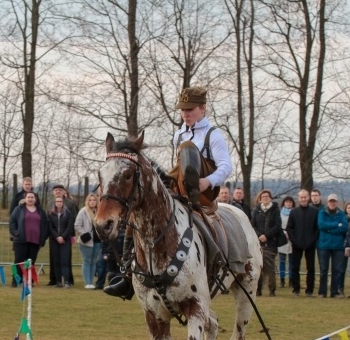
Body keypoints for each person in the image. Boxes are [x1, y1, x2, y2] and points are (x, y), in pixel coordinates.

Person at [105, 85, 232, 299]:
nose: (185, 113)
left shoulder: (213, 136)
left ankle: (215, 263)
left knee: (187, 148)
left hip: (201, 192)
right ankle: (127, 275)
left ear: (203, 108)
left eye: (190, 109)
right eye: (183, 109)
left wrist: (206, 182)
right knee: (138, 214)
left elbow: (225, 167)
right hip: (178, 186)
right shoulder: (179, 133)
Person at [287, 189, 320, 296]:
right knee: (295, 267)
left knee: (311, 268)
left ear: (308, 197)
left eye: (305, 197)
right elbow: (289, 228)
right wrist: (294, 241)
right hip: (296, 244)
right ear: (298, 198)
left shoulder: (315, 211)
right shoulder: (294, 212)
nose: (303, 199)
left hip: (310, 244)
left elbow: (317, 229)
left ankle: (309, 290)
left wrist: (312, 241)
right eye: (301, 197)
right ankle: (296, 289)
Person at [10, 191, 49, 281]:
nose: (30, 199)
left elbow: (45, 225)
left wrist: (43, 237)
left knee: (31, 262)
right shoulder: (18, 209)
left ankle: (29, 281)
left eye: (32, 197)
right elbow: (12, 221)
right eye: (28, 197)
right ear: (25, 198)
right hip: (21, 240)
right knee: (18, 261)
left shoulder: (41, 211)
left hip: (35, 241)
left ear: (35, 199)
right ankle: (16, 281)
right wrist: (15, 232)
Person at [251, 189, 282, 297]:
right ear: (260, 199)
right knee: (258, 266)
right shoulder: (256, 210)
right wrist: (259, 235)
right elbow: (252, 225)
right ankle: (258, 290)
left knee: (271, 267)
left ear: (270, 198)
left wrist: (267, 236)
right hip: (259, 243)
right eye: (263, 197)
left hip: (271, 243)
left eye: (267, 197)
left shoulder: (275, 210)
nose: (265, 198)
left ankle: (272, 290)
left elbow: (278, 226)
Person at [317, 194, 348, 298]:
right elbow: (321, 225)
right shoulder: (322, 212)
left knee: (337, 270)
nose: (332, 203)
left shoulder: (342, 214)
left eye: (334, 201)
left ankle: (334, 292)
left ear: (337, 202)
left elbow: (344, 227)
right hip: (324, 245)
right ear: (327, 202)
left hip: (338, 246)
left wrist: (329, 229)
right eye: (330, 201)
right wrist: (336, 225)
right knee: (323, 270)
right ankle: (322, 292)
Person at [75, 194, 102, 289]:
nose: (92, 202)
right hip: (86, 240)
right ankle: (88, 282)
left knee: (94, 261)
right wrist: (84, 234)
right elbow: (77, 225)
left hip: (98, 240)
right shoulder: (83, 211)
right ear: (87, 201)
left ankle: (91, 282)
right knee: (87, 260)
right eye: (90, 200)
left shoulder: (100, 211)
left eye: (94, 200)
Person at [48, 195, 74, 288]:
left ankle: (67, 281)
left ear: (63, 203)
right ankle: (58, 281)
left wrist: (62, 237)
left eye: (60, 201)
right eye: (57, 201)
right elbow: (50, 227)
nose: (59, 203)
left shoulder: (68, 213)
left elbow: (69, 226)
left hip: (65, 240)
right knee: (56, 261)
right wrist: (57, 237)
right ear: (55, 203)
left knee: (64, 261)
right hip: (54, 240)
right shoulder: (51, 213)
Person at [278, 195, 295, 288]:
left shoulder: (295, 212)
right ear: (284, 203)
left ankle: (291, 280)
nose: (288, 203)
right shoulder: (280, 213)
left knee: (292, 261)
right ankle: (282, 279)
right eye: (287, 202)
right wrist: (284, 233)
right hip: (282, 238)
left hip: (292, 238)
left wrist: (291, 233)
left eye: (290, 202)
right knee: (282, 260)